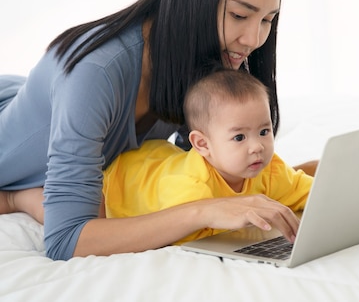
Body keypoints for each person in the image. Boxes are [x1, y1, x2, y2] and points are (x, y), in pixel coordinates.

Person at [0, 0, 316, 261]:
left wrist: (314, 179)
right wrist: (207, 211)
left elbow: (199, 172)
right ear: (192, 0)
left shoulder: (199, 61)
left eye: (267, 20)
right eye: (240, 16)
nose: (254, 39)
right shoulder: (96, 75)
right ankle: (21, 197)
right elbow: (67, 242)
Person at [103, 67, 313, 244]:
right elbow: (187, 240)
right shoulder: (191, 189)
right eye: (239, 137)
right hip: (121, 177)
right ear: (203, 144)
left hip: (160, 154)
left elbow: (307, 190)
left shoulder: (269, 169)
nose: (257, 146)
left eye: (264, 132)